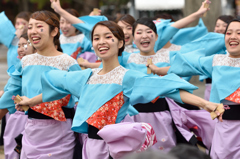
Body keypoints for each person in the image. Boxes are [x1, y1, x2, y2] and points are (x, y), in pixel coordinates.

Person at [17, 20, 221, 159]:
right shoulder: (85, 77)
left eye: (108, 37)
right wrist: (30, 101)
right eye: (96, 38)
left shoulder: (127, 76)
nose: (101, 42)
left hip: (114, 149)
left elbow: (168, 88)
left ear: (121, 42)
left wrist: (206, 103)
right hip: (89, 147)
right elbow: (56, 84)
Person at [0, 10, 82, 159]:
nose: (33, 31)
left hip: (60, 133)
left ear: (54, 31)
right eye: (30, 27)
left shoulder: (68, 63)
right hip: (31, 130)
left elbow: (82, 95)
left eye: (39, 26)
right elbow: (11, 92)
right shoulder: (25, 62)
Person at [165, 18, 240, 159]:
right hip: (225, 127)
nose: (233, 37)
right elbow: (187, 65)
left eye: (239, 33)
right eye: (229, 33)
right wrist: (157, 70)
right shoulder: (218, 60)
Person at [3, 32, 36, 159]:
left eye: (25, 45)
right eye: (19, 45)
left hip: (26, 119)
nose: (21, 49)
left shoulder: (34, 67)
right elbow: (10, 94)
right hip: (15, 117)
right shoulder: (20, 66)